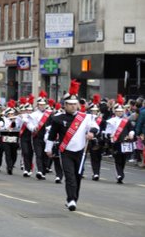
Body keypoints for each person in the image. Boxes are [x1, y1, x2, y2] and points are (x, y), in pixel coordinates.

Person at [45, 80, 99, 212]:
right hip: (65, 151)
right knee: (69, 176)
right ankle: (71, 200)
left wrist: (92, 132)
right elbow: (52, 135)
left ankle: (74, 197)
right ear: (65, 105)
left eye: (75, 104)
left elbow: (94, 126)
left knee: (78, 176)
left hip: (80, 151)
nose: (73, 107)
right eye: (70, 104)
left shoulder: (85, 117)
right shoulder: (58, 118)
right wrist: (48, 149)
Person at [104, 94, 135, 184]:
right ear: (115, 112)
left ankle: (120, 173)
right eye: (118, 111)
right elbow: (107, 132)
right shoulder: (111, 121)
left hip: (125, 142)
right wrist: (110, 136)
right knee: (117, 159)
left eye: (121, 111)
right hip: (116, 142)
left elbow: (131, 129)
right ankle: (120, 174)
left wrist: (131, 134)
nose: (120, 113)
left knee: (123, 159)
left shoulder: (126, 120)